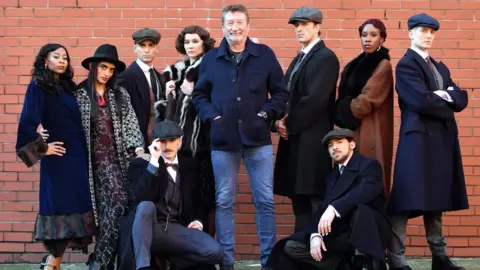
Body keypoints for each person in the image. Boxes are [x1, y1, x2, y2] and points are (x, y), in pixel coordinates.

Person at [192, 4, 290, 269]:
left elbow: (281, 93)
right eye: (229, 23)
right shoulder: (211, 58)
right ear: (222, 27)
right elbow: (199, 95)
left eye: (239, 22)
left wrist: (267, 114)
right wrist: (212, 116)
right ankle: (226, 261)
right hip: (223, 142)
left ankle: (269, 260)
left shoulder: (264, 55)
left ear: (248, 25)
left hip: (257, 140)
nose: (234, 28)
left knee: (265, 201)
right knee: (224, 202)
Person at [387, 13, 468, 270]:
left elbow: (462, 99)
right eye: (423, 30)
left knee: (436, 198)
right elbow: (420, 101)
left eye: (432, 31)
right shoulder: (406, 65)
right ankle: (397, 260)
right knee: (404, 200)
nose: (428, 35)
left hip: (440, 142)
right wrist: (447, 98)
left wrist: (442, 96)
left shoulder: (440, 67)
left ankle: (439, 257)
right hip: (417, 142)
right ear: (410, 33)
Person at [16, 43, 95, 270]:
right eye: (56, 56)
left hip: (79, 157)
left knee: (78, 207)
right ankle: (52, 264)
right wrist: (43, 148)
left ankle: (54, 264)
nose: (62, 61)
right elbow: (27, 122)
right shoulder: (39, 86)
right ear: (45, 61)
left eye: (65, 57)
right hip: (59, 159)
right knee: (58, 209)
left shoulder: (68, 87)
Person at [265, 129, 391, 270]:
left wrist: (335, 208)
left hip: (367, 231)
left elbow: (366, 191)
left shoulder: (369, 165)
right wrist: (315, 235)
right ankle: (339, 264)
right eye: (330, 145)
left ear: (352, 145)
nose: (334, 147)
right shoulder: (332, 176)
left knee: (359, 210)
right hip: (340, 235)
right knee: (291, 246)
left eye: (339, 142)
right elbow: (322, 208)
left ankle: (364, 263)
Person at [117, 120, 224, 270]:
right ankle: (143, 266)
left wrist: (198, 221)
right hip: (148, 228)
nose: (167, 146)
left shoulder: (191, 166)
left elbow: (199, 201)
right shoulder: (142, 164)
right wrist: (153, 161)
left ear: (180, 140)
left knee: (215, 252)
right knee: (145, 206)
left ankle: (174, 262)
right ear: (155, 142)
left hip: (176, 228)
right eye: (162, 141)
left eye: (172, 140)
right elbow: (140, 197)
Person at [74, 44, 144, 269]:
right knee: (107, 215)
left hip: (119, 163)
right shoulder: (79, 96)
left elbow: (132, 124)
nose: (107, 73)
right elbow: (65, 127)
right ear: (93, 67)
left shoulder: (119, 94)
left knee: (118, 211)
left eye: (111, 69)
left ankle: (100, 262)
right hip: (92, 167)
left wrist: (138, 150)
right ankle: (102, 262)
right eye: (103, 67)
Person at [273, 6, 340, 232]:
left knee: (313, 199)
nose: (299, 29)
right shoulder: (300, 57)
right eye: (296, 25)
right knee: (299, 198)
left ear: (317, 27)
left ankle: (315, 254)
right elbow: (285, 94)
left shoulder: (326, 57)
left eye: (304, 24)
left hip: (312, 139)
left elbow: (315, 100)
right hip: (296, 139)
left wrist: (288, 125)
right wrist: (278, 122)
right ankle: (301, 251)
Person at [159, 25, 217, 235]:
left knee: (204, 197)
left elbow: (216, 102)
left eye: (195, 41)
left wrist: (194, 93)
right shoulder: (175, 72)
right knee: (184, 195)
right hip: (180, 145)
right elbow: (167, 115)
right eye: (187, 42)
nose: (190, 46)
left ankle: (206, 245)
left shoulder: (209, 67)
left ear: (204, 43)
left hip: (202, 144)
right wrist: (169, 96)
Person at [334, 19, 394, 200]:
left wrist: (342, 108)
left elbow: (366, 102)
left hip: (370, 129)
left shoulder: (383, 65)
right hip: (352, 129)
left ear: (382, 39)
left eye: (373, 35)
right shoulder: (355, 64)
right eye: (364, 35)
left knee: (367, 178)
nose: (367, 39)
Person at [118, 28, 164, 150]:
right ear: (135, 49)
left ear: (157, 49)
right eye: (142, 45)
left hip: (159, 142)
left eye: (151, 45)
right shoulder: (125, 77)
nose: (147, 50)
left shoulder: (160, 78)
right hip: (136, 144)